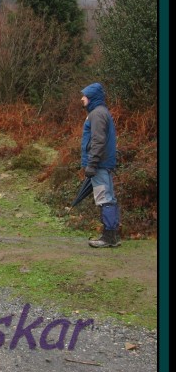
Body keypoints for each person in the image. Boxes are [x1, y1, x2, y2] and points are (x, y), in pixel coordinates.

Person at [80, 82, 120, 248]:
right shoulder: (101, 112)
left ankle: (108, 237)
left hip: (100, 163)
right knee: (108, 197)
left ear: (91, 98)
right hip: (103, 162)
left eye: (84, 96)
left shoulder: (97, 114)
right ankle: (112, 235)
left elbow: (98, 140)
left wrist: (92, 164)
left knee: (105, 198)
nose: (82, 99)